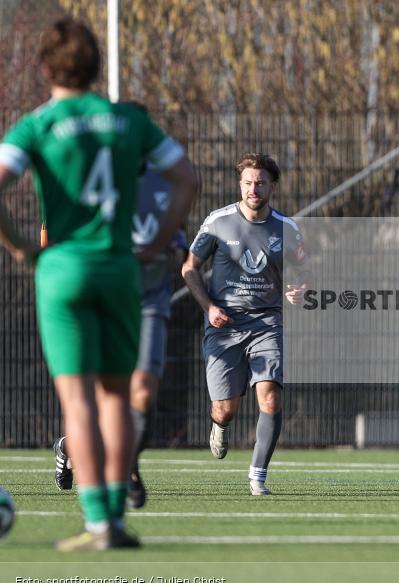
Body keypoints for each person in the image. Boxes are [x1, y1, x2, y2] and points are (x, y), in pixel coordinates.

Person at [0, 18, 196, 550]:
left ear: (44, 68)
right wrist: (155, 247)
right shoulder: (124, 122)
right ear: (95, 67)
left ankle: (94, 519)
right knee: (116, 395)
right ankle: (113, 520)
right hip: (118, 268)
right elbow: (187, 179)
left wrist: (22, 246)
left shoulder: (37, 124)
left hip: (62, 269)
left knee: (77, 399)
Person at [53, 107, 190, 510]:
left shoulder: (165, 183)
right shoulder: (95, 176)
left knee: (143, 391)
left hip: (149, 296)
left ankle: (127, 465)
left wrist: (175, 250)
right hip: (103, 294)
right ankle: (76, 451)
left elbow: (176, 237)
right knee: (100, 394)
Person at [182, 153, 306, 496]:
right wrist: (208, 307)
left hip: (267, 322)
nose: (254, 189)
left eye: (261, 182)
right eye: (248, 182)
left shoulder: (288, 228)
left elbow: (303, 270)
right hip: (224, 326)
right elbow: (189, 268)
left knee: (270, 399)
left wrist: (300, 287)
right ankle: (220, 425)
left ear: (273, 186)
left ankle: (258, 476)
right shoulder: (217, 222)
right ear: (240, 185)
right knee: (225, 409)